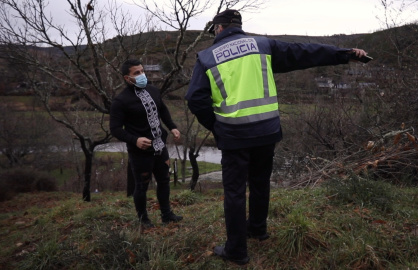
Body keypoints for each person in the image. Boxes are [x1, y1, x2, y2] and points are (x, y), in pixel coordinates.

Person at [185, 9, 369, 265]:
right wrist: (344, 54)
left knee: (236, 192)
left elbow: (195, 98)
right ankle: (258, 229)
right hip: (267, 130)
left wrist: (216, 126)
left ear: (218, 28)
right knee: (260, 182)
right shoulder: (263, 45)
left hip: (235, 134)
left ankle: (236, 251)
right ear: (238, 25)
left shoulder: (206, 57)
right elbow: (305, 53)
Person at [110, 59, 183, 229]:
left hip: (160, 145)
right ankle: (143, 220)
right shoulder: (120, 101)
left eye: (142, 71)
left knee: (164, 181)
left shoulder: (153, 90)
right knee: (141, 186)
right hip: (140, 151)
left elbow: (162, 110)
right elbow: (115, 129)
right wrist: (134, 140)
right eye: (137, 73)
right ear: (127, 78)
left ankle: (167, 215)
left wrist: (172, 127)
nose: (142, 75)